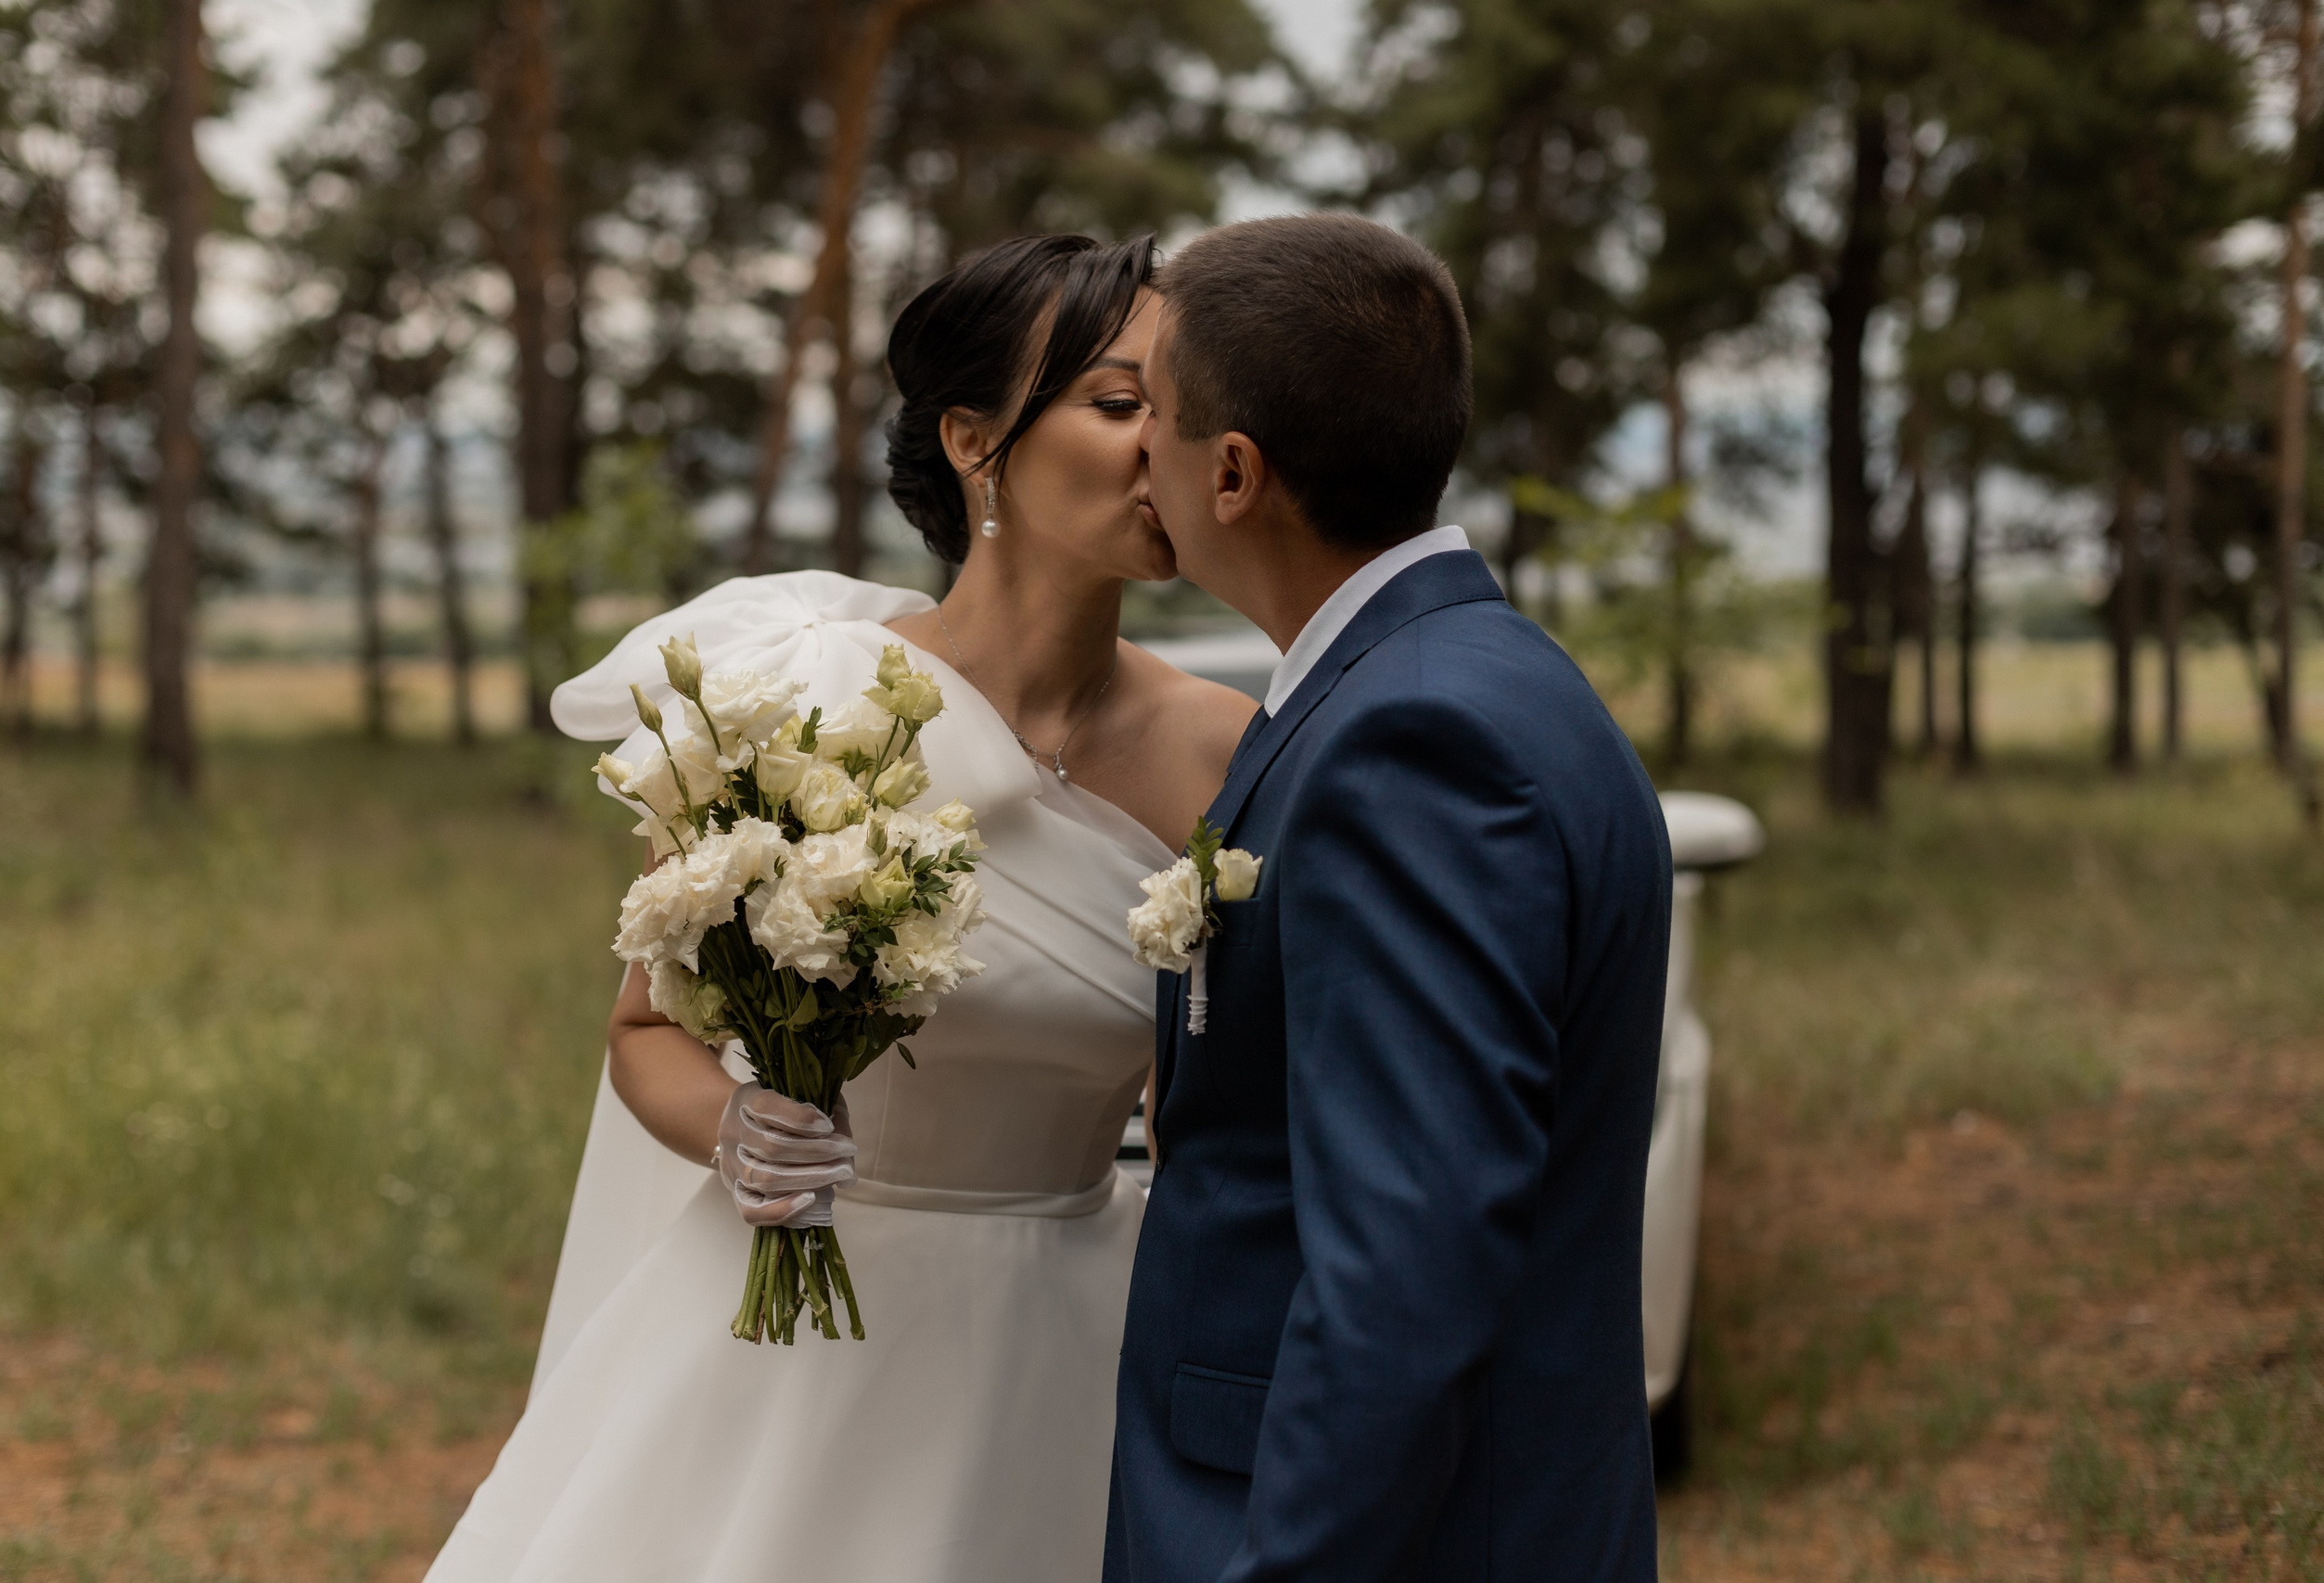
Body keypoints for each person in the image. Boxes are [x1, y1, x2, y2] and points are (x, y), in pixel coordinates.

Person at [424, 233, 1255, 1583]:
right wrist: (742, 1128)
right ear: (976, 440)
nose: (1167, 443)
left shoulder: (1226, 750)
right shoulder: (803, 707)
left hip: (1079, 1342)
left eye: (1188, 406)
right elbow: (646, 1036)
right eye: (1119, 404)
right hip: (805, 1340)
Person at [1106, 214, 1674, 1582]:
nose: (1135, 453)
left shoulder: (1410, 749)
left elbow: (1402, 1277)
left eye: (1154, 415)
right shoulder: (1473, 677)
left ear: (1233, 472)